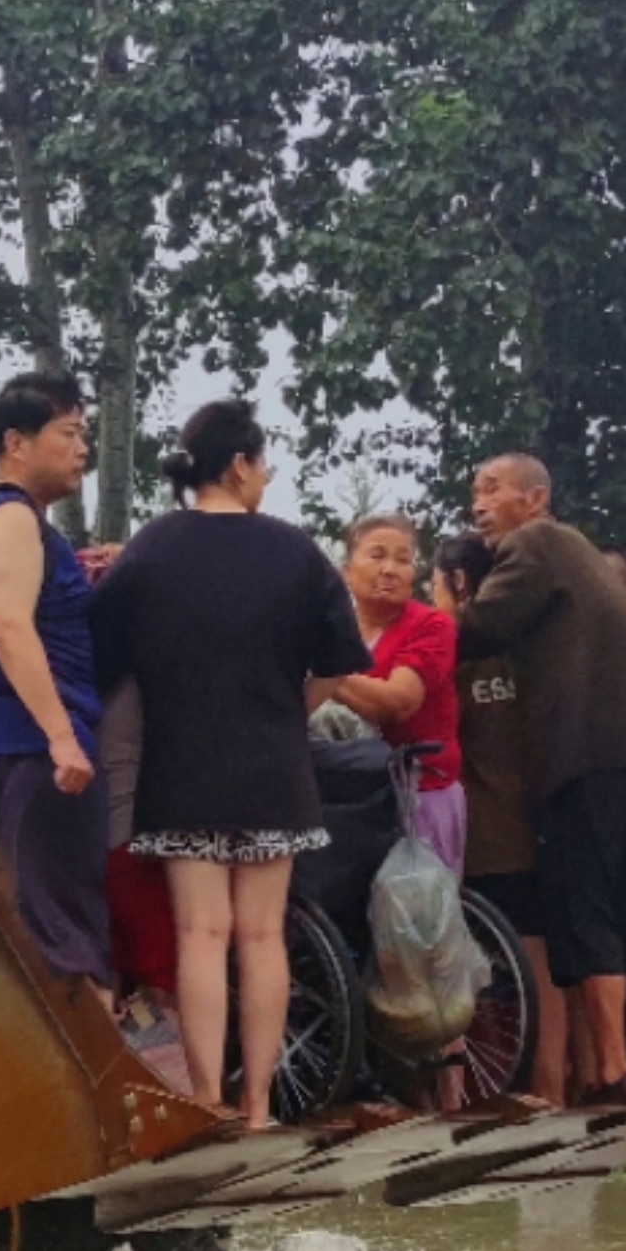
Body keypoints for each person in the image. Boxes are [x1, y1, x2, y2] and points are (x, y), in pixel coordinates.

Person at [91, 398, 370, 1129]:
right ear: (240, 465)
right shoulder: (294, 551)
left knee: (201, 936)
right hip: (273, 770)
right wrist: (287, 708)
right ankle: (257, 1107)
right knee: (262, 935)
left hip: (181, 770)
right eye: (264, 465)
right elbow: (341, 660)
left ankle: (206, 1096)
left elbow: (98, 659)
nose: (266, 478)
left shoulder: (151, 549)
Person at [461, 453, 626, 1099]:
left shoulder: (534, 542)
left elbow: (480, 627)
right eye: (476, 493)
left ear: (536, 497)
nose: (480, 504)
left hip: (580, 756)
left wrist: (415, 632)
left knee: (588, 912)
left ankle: (610, 1069)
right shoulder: (581, 553)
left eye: (492, 490)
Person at [0, 371, 115, 995]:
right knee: (63, 940)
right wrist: (61, 737)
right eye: (69, 432)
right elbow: (8, 627)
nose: (83, 448)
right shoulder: (9, 516)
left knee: (25, 932)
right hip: (31, 752)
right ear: (18, 442)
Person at [438, 531, 564, 1106]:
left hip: (483, 837)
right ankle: (551, 1086)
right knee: (541, 963)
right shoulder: (530, 651)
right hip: (540, 826)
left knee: (472, 970)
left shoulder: (457, 656)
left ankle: (465, 1093)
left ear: (458, 585)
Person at [325, 515, 463, 869]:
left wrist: (320, 669)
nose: (389, 570)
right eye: (377, 556)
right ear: (346, 570)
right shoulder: (335, 631)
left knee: (417, 914)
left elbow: (398, 703)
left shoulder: (431, 625)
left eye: (403, 560)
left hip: (419, 791)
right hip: (347, 797)